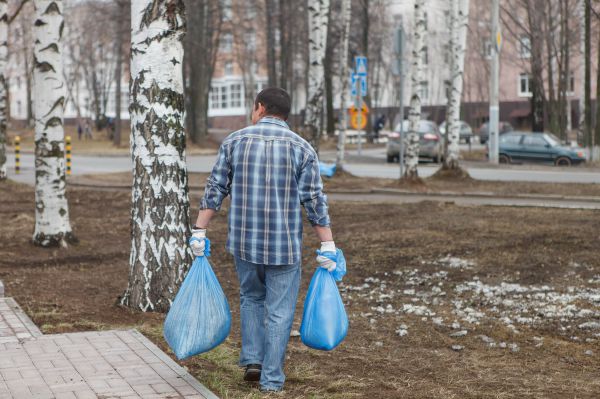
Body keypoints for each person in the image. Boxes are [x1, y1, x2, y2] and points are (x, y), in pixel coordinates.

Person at [190, 88, 341, 393]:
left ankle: (253, 361)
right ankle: (271, 380)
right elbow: (314, 200)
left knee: (251, 298)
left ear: (260, 108)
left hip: (245, 243)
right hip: (285, 247)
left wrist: (199, 231)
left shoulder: (234, 141)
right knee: (279, 310)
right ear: (285, 114)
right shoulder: (303, 148)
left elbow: (215, 188)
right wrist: (328, 244)